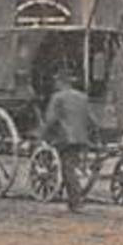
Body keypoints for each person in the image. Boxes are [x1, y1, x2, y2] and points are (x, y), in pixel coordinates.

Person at [41, 71, 93, 212]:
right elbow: (90, 119)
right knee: (70, 166)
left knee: (68, 169)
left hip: (65, 138)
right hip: (81, 138)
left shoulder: (57, 97)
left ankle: (76, 202)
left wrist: (43, 136)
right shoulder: (83, 97)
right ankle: (70, 199)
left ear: (60, 83)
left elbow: (51, 119)